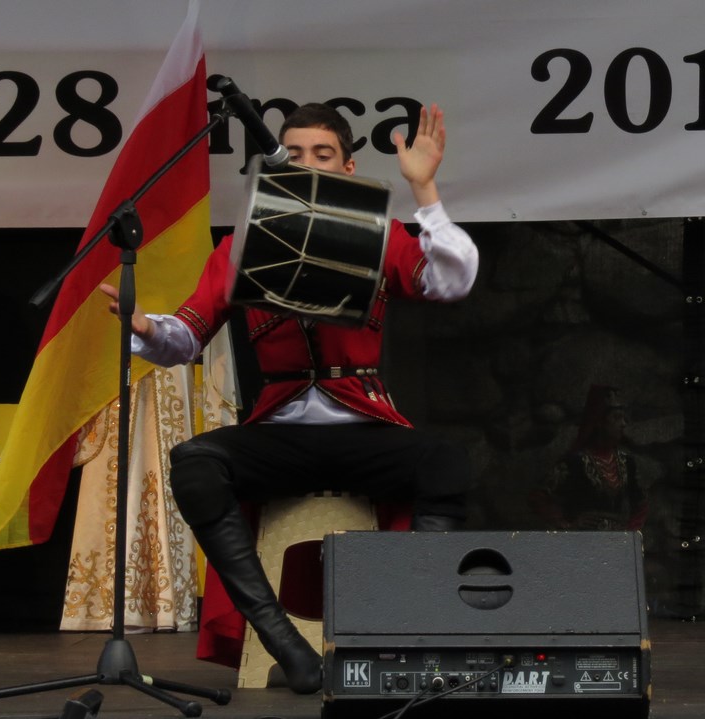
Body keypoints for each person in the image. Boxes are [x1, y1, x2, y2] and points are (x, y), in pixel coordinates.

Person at [99, 102, 478, 693]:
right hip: (279, 430)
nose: (305, 164)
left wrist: (423, 189)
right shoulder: (239, 247)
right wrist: (147, 328)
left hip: (364, 425)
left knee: (445, 461)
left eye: (322, 155)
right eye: (293, 154)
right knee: (196, 463)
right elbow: (188, 336)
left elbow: (451, 278)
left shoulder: (383, 238)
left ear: (348, 168)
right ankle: (286, 645)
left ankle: (396, 628)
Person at [530, 386, 648, 531]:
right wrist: (566, 524)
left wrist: (630, 533)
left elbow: (641, 504)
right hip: (582, 545)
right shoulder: (575, 463)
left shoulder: (627, 462)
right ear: (599, 422)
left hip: (616, 545)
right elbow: (539, 496)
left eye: (624, 418)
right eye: (616, 417)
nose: (623, 424)